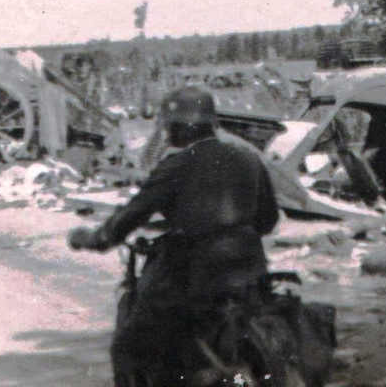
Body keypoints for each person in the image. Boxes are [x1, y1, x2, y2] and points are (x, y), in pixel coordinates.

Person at [69, 86, 280, 386]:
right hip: (250, 271)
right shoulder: (248, 158)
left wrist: (92, 238)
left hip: (197, 276)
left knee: (128, 347)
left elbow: (129, 217)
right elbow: (267, 220)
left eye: (169, 127)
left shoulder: (176, 165)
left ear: (182, 127)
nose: (167, 134)